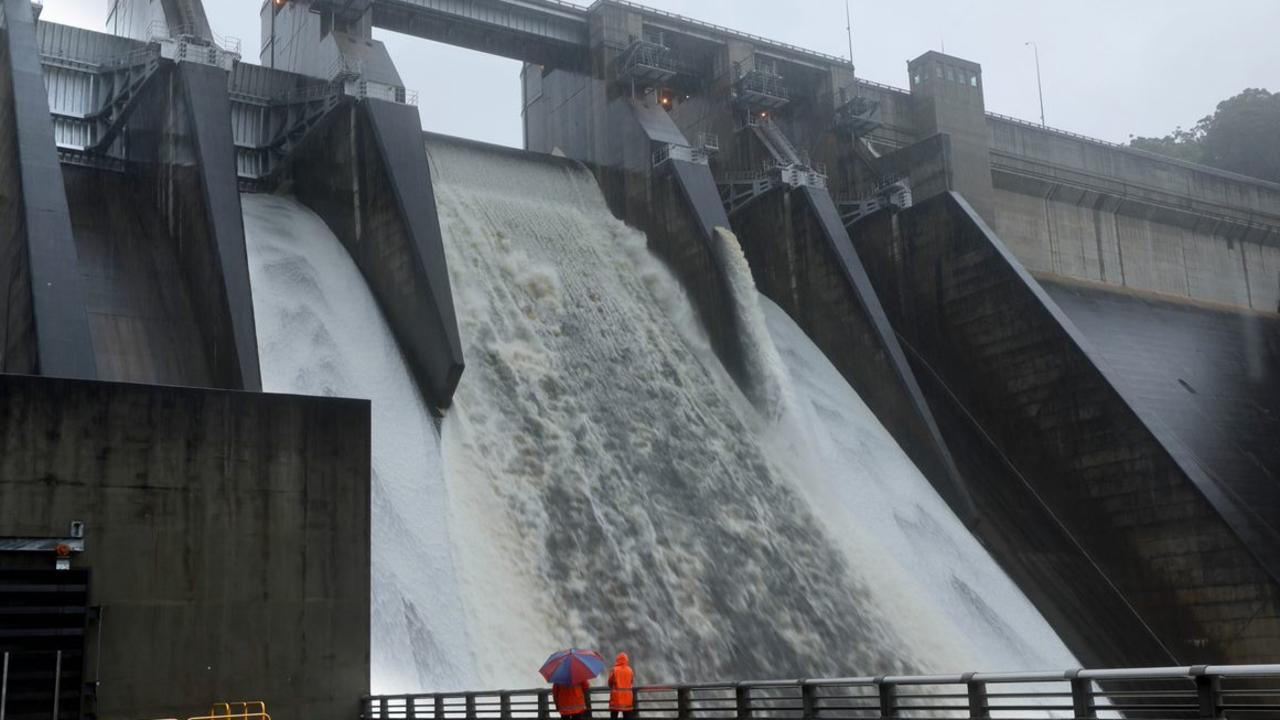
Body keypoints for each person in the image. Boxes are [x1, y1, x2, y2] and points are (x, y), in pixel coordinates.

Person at [608, 653, 635, 720]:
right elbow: (631, 682)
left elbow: (610, 682)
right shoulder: (630, 670)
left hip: (616, 698)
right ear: (626, 660)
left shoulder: (614, 670)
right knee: (627, 716)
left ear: (618, 660)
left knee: (614, 716)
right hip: (627, 699)